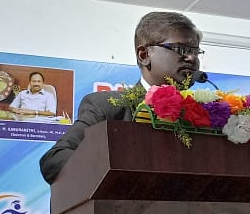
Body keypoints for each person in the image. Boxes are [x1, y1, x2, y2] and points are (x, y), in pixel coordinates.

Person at [38, 11, 203, 183]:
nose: (192, 58)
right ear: (144, 55)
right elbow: (55, 159)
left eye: (196, 51)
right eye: (180, 49)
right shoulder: (107, 107)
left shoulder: (205, 113)